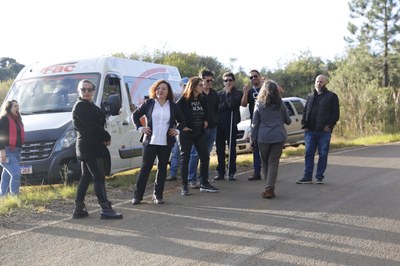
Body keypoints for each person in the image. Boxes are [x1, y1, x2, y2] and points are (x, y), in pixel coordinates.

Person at [72, 79, 122, 219]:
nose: (86, 92)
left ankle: (79, 208)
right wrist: (106, 135)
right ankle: (105, 209)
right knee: (99, 177)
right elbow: (91, 126)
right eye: (83, 89)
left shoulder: (88, 105)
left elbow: (98, 120)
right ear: (79, 91)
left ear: (93, 90)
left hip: (92, 146)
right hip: (89, 147)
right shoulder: (80, 106)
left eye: (89, 89)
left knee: (86, 176)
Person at [132, 80, 185, 204]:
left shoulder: (173, 106)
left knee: (162, 169)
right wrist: (140, 128)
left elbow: (182, 121)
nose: (160, 91)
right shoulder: (149, 103)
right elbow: (135, 115)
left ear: (168, 92)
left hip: (166, 143)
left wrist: (177, 130)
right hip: (150, 142)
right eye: (158, 88)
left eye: (164, 89)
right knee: (145, 168)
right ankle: (137, 196)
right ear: (155, 90)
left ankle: (158, 195)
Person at [177, 76, 218, 195]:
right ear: (193, 86)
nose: (202, 86)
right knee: (185, 158)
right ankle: (184, 186)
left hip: (199, 132)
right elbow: (174, 113)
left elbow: (205, 111)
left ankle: (204, 183)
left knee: (205, 156)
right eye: (200, 85)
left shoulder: (202, 98)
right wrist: (180, 126)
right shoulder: (183, 100)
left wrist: (205, 120)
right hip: (187, 133)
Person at [251, 81, 291, 198]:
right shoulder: (280, 104)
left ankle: (268, 187)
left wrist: (253, 139)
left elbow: (255, 123)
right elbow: (288, 121)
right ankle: (270, 187)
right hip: (278, 136)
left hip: (263, 137)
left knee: (265, 162)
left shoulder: (259, 104)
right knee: (273, 162)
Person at [296, 75, 340, 184]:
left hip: (323, 132)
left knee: (323, 154)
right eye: (317, 81)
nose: (318, 83)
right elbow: (306, 111)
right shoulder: (310, 96)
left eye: (321, 82)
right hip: (310, 131)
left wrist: (329, 125)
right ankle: (307, 177)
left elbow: (336, 114)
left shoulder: (332, 96)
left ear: (325, 83)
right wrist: (304, 124)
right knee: (309, 153)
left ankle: (319, 176)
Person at [187, 70, 219, 189]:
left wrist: (213, 121)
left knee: (206, 155)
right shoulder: (196, 96)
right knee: (195, 154)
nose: (209, 82)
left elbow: (216, 110)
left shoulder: (214, 94)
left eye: (212, 80)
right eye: (207, 80)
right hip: (199, 130)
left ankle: (203, 180)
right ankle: (191, 179)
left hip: (212, 128)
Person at [215, 72, 243, 181]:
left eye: (230, 80)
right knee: (219, 149)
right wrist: (225, 104)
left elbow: (232, 104)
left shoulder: (238, 93)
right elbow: (217, 108)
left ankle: (231, 171)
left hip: (231, 124)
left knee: (231, 148)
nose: (228, 82)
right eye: (226, 80)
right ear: (223, 82)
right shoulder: (218, 94)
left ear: (234, 81)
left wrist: (228, 94)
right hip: (219, 124)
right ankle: (220, 172)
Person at [241, 70, 263, 181]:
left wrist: (267, 83)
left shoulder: (266, 89)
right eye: (251, 77)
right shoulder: (250, 92)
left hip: (266, 122)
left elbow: (280, 92)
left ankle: (268, 170)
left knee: (266, 147)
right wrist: (245, 92)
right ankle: (257, 172)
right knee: (255, 147)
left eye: (255, 76)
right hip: (254, 122)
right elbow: (244, 104)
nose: (253, 78)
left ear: (260, 77)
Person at [166, 77, 189, 181]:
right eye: (184, 85)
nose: (185, 88)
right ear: (180, 86)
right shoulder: (175, 97)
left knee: (189, 153)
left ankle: (189, 174)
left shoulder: (193, 98)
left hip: (189, 130)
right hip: (178, 129)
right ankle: (173, 173)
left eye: (187, 85)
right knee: (175, 152)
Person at [0, 100, 25, 197]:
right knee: (16, 173)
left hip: (16, 151)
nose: (17, 108)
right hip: (7, 151)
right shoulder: (4, 119)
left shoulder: (18, 120)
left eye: (18, 106)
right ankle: (15, 196)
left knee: (6, 176)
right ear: (9, 108)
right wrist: (2, 151)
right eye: (15, 106)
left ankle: (3, 197)